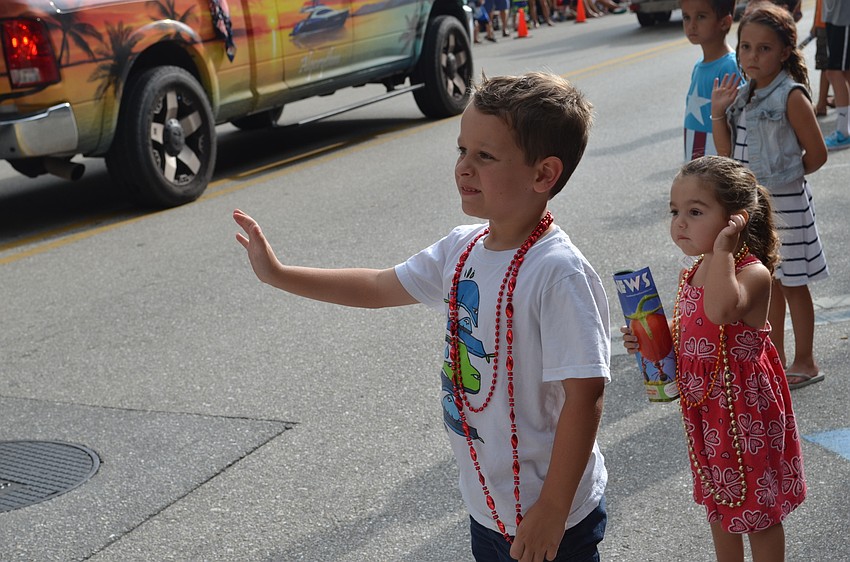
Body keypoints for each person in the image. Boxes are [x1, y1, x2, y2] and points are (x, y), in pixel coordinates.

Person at [234, 72, 610, 562]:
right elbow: (376, 286)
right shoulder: (463, 248)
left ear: (542, 174)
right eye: (461, 151)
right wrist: (280, 274)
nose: (463, 168)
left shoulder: (557, 273)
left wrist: (554, 509)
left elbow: (587, 395)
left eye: (485, 156)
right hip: (488, 503)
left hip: (550, 513)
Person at [622, 155, 807, 562]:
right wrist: (648, 341)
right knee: (720, 503)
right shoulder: (696, 270)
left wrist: (723, 248)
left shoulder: (751, 272)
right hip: (706, 408)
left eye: (695, 211)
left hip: (744, 409)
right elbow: (691, 333)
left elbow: (722, 312)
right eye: (675, 211)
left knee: (756, 509)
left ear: (734, 220)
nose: (680, 223)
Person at [710, 3, 828, 390]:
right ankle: (772, 359)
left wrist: (783, 178)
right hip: (754, 208)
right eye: (745, 47)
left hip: (787, 205)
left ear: (783, 52)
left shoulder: (790, 96)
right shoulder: (742, 96)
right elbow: (728, 157)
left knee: (794, 284)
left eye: (763, 48)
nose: (752, 56)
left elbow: (817, 153)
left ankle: (805, 360)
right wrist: (718, 113)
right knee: (766, 283)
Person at [681, 0, 742, 160]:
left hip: (715, 157)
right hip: (695, 148)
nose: (691, 25)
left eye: (701, 17)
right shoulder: (699, 66)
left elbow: (737, 123)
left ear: (724, 22)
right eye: (686, 17)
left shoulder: (730, 66)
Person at [823, 0, 850, 149]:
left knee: (834, 72)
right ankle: (844, 130)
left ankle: (844, 133)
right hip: (835, 14)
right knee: (845, 71)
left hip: (843, 16)